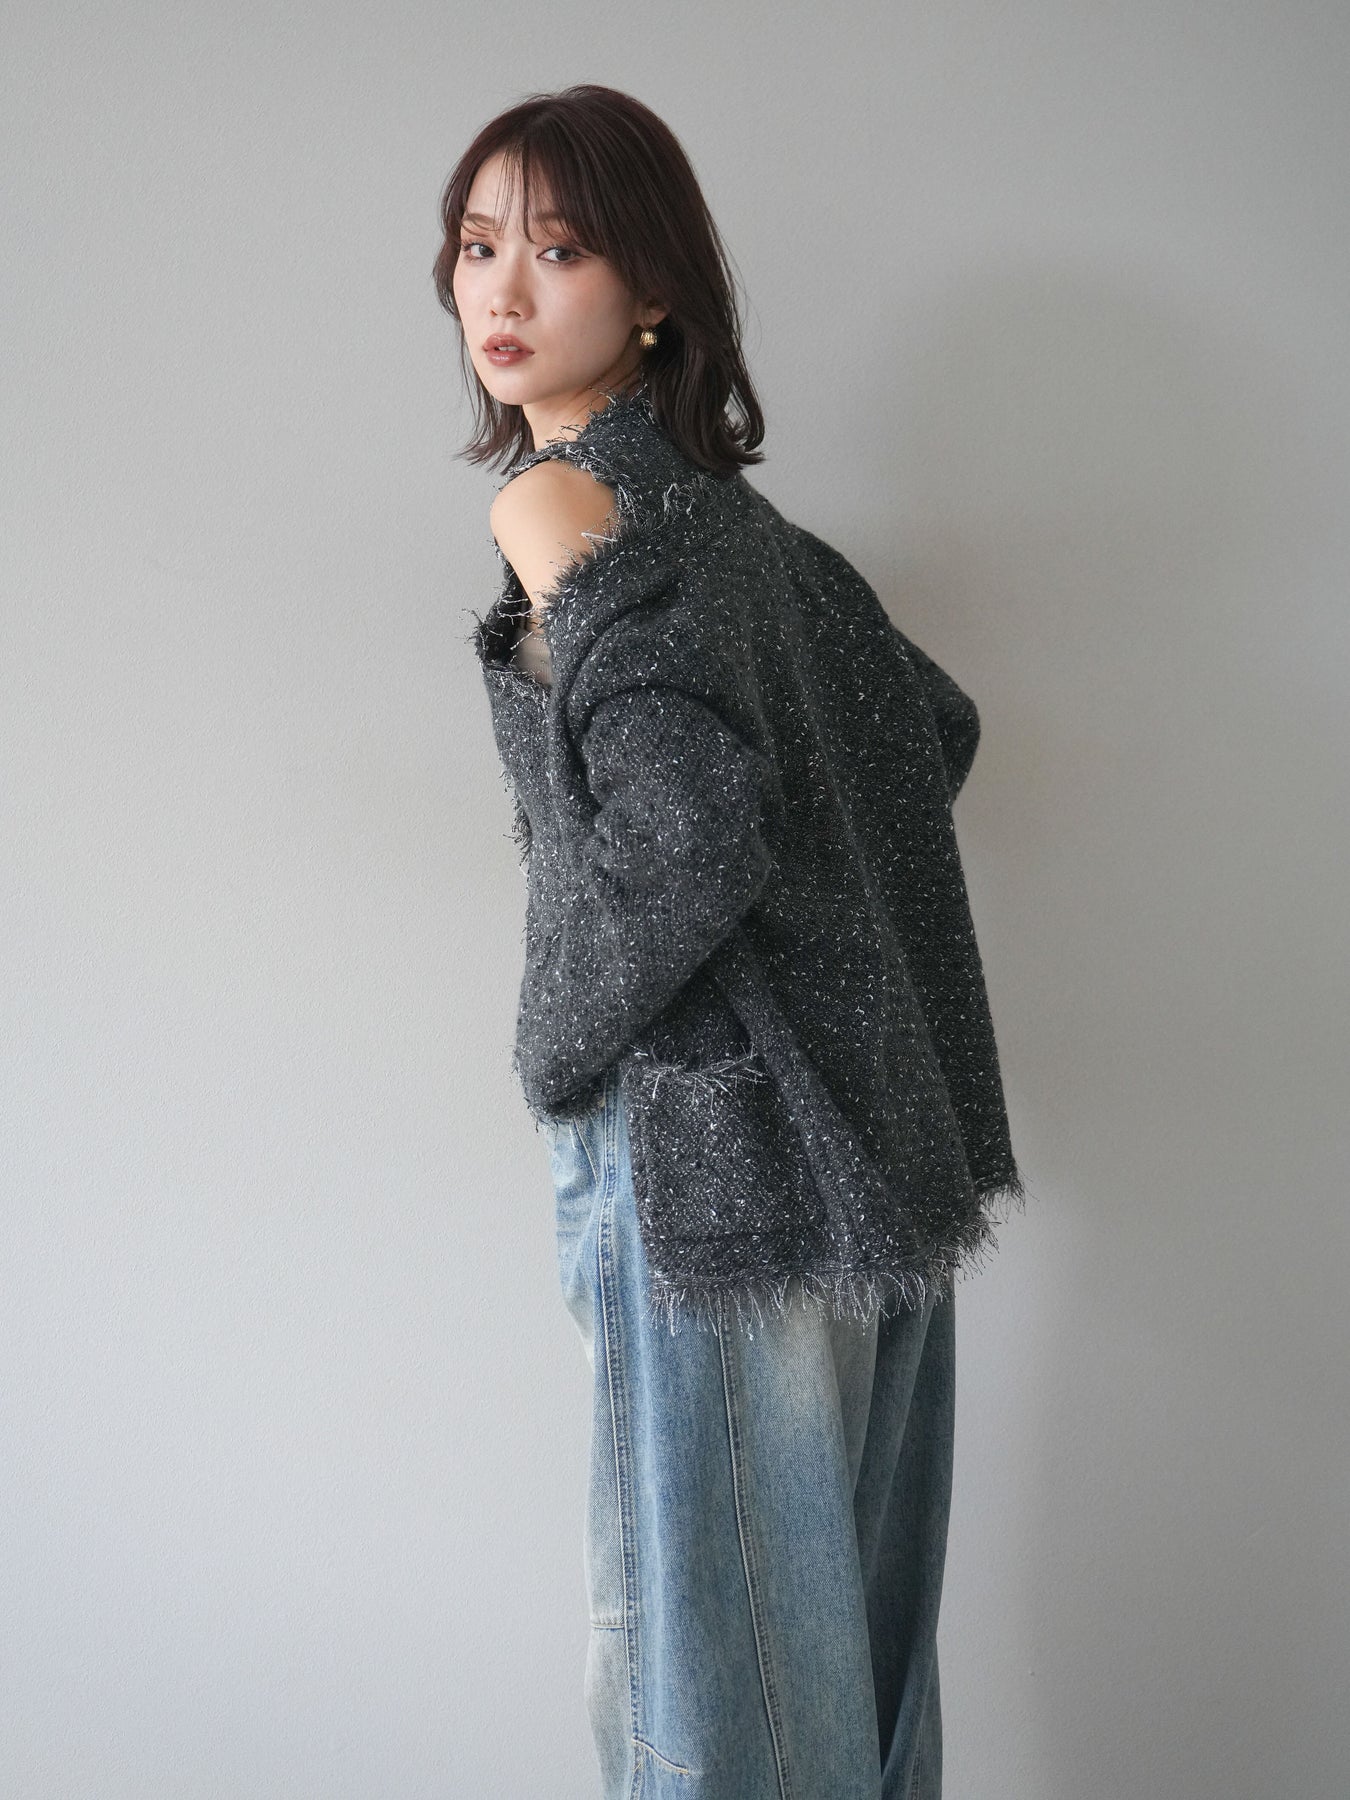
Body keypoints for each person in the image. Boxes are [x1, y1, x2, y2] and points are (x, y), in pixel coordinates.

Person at [433, 83, 1026, 1800]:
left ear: (655, 291)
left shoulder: (560, 506)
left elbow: (688, 829)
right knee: (854, 1694)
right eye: (476, 246)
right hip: (877, 1149)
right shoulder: (771, 548)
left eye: (560, 249)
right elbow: (929, 732)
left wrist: (557, 1040)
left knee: (713, 1705)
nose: (502, 292)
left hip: (710, 1169)